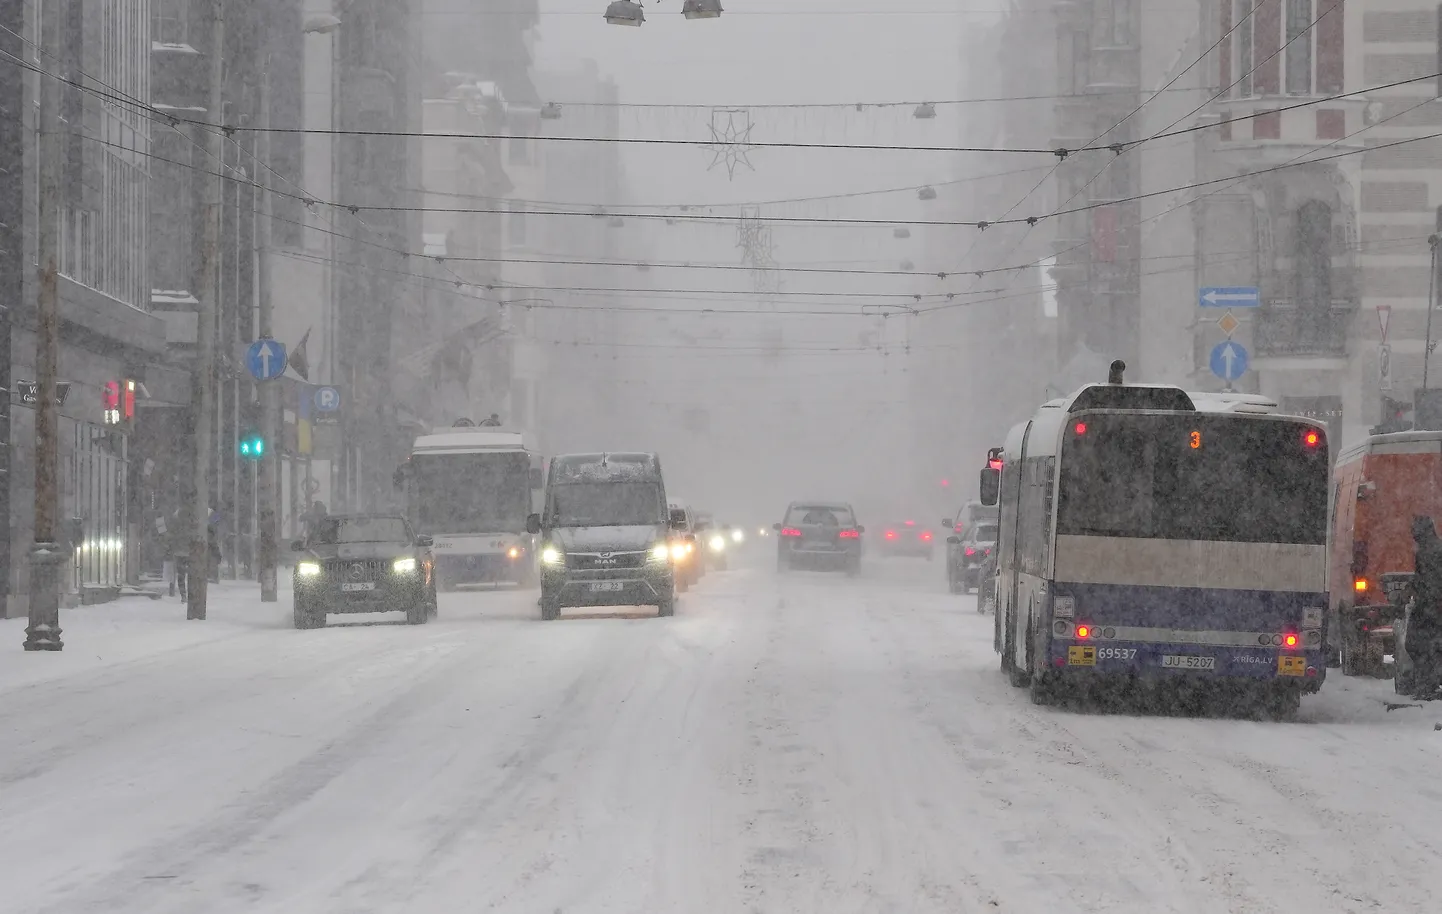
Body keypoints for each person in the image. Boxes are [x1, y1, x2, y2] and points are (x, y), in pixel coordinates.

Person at [1407, 516, 1442, 699]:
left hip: (1429, 606)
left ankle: (1427, 685)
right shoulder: (1433, 549)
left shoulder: (1428, 552)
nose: (1412, 533)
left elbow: (1425, 580)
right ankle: (1428, 683)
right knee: (1428, 646)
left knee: (1417, 644)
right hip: (1430, 605)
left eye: (1414, 529)